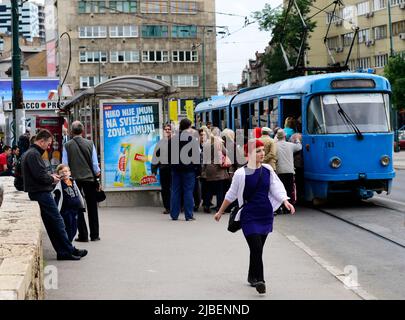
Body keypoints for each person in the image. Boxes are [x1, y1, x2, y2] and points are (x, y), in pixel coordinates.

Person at [214, 139, 295, 294]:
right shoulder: (240, 173)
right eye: (257, 151)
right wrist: (220, 211)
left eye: (262, 150)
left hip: (265, 214)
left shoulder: (267, 170)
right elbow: (230, 194)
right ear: (248, 154)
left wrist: (285, 201)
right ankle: (260, 280)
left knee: (257, 249)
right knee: (256, 247)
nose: (262, 153)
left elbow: (276, 187)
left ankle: (252, 276)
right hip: (249, 216)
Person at [21, 129, 87, 260]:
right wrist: (52, 179)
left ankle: (66, 250)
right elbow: (40, 176)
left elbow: (38, 174)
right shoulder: (34, 154)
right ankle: (67, 251)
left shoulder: (30, 153)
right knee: (57, 223)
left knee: (53, 225)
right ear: (41, 141)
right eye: (48, 143)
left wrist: (50, 176)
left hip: (38, 192)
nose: (49, 146)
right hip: (41, 193)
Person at [62, 121, 101, 242]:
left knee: (77, 207)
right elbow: (95, 164)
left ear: (71, 131)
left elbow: (65, 165)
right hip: (89, 179)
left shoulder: (67, 145)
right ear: (82, 131)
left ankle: (83, 235)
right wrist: (98, 177)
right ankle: (94, 235)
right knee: (92, 207)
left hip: (75, 180)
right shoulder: (90, 143)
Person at [169, 118, 200, 221]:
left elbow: (168, 155)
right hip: (189, 170)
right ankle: (189, 215)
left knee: (175, 191)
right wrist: (197, 168)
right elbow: (196, 156)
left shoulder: (172, 139)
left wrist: (172, 166)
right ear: (189, 127)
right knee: (188, 191)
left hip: (176, 169)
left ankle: (174, 215)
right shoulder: (192, 139)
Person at [53, 164, 85, 242]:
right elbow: (56, 198)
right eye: (62, 172)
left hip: (75, 210)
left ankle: (69, 244)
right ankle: (68, 246)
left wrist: (81, 205)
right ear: (58, 174)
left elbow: (78, 194)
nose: (64, 173)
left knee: (74, 228)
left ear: (70, 172)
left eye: (66, 171)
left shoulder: (73, 182)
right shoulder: (59, 185)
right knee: (68, 229)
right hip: (66, 211)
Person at [201, 127, 229, 213]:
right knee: (219, 189)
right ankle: (219, 208)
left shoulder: (206, 143)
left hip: (209, 169)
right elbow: (226, 152)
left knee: (209, 188)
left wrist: (203, 170)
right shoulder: (219, 142)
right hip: (218, 168)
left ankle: (206, 205)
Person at [275, 129, 302, 213]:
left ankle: (280, 207)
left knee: (280, 190)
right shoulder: (290, 145)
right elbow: (299, 147)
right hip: (289, 171)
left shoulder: (274, 145)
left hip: (279, 171)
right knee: (289, 189)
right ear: (284, 136)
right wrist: (297, 139)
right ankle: (288, 208)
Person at [152, 123, 173, 215]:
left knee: (174, 188)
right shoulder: (160, 143)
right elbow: (156, 156)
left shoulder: (175, 142)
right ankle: (167, 207)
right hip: (164, 168)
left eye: (169, 129)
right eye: (166, 129)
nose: (167, 131)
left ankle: (176, 206)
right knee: (165, 189)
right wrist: (154, 169)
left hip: (173, 169)